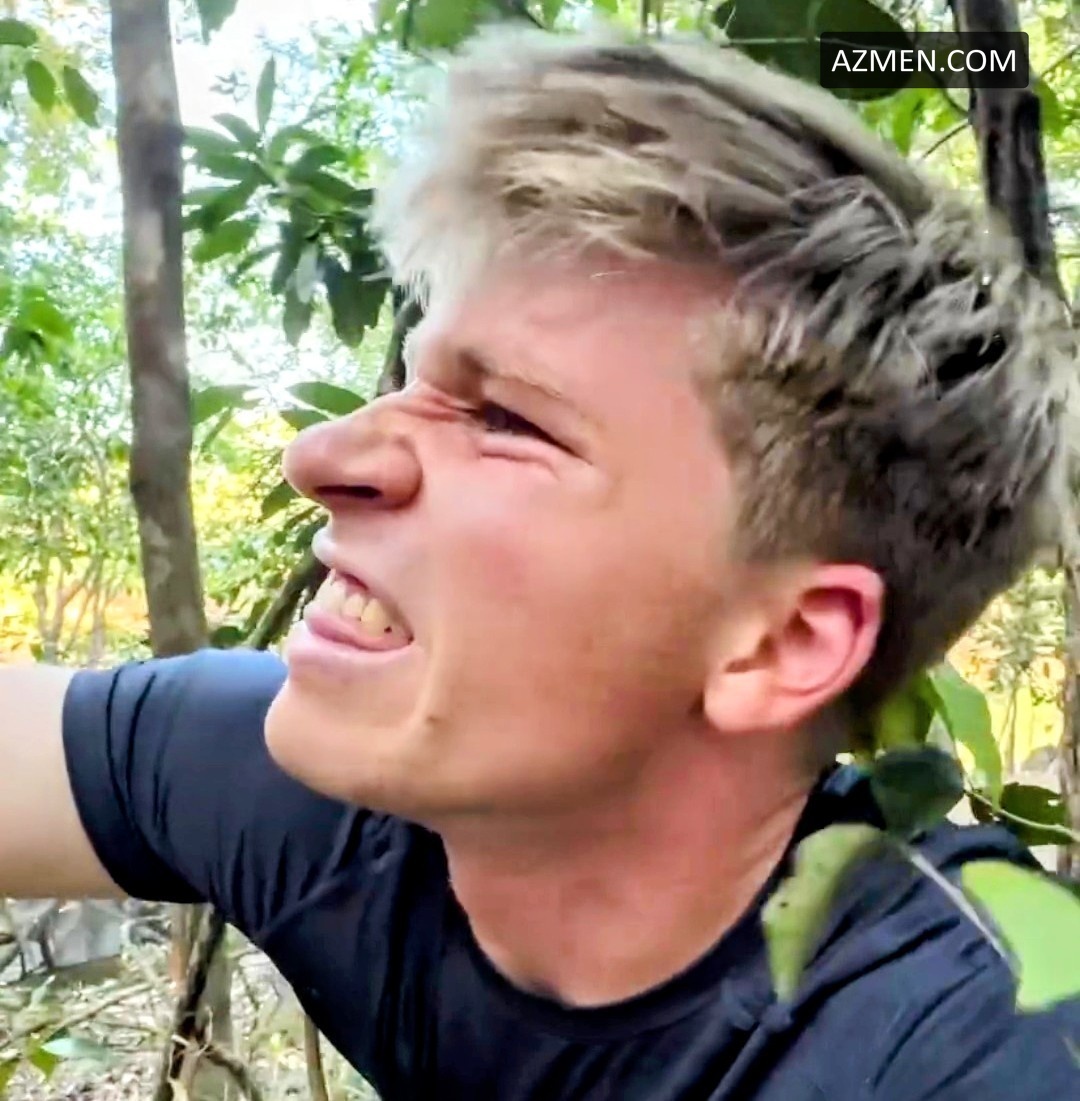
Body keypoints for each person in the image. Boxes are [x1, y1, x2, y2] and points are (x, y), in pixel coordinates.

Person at [3, 25, 1079, 1100]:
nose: (321, 456)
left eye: (507, 420)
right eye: (415, 379)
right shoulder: (333, 806)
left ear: (780, 643)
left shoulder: (977, 1042)